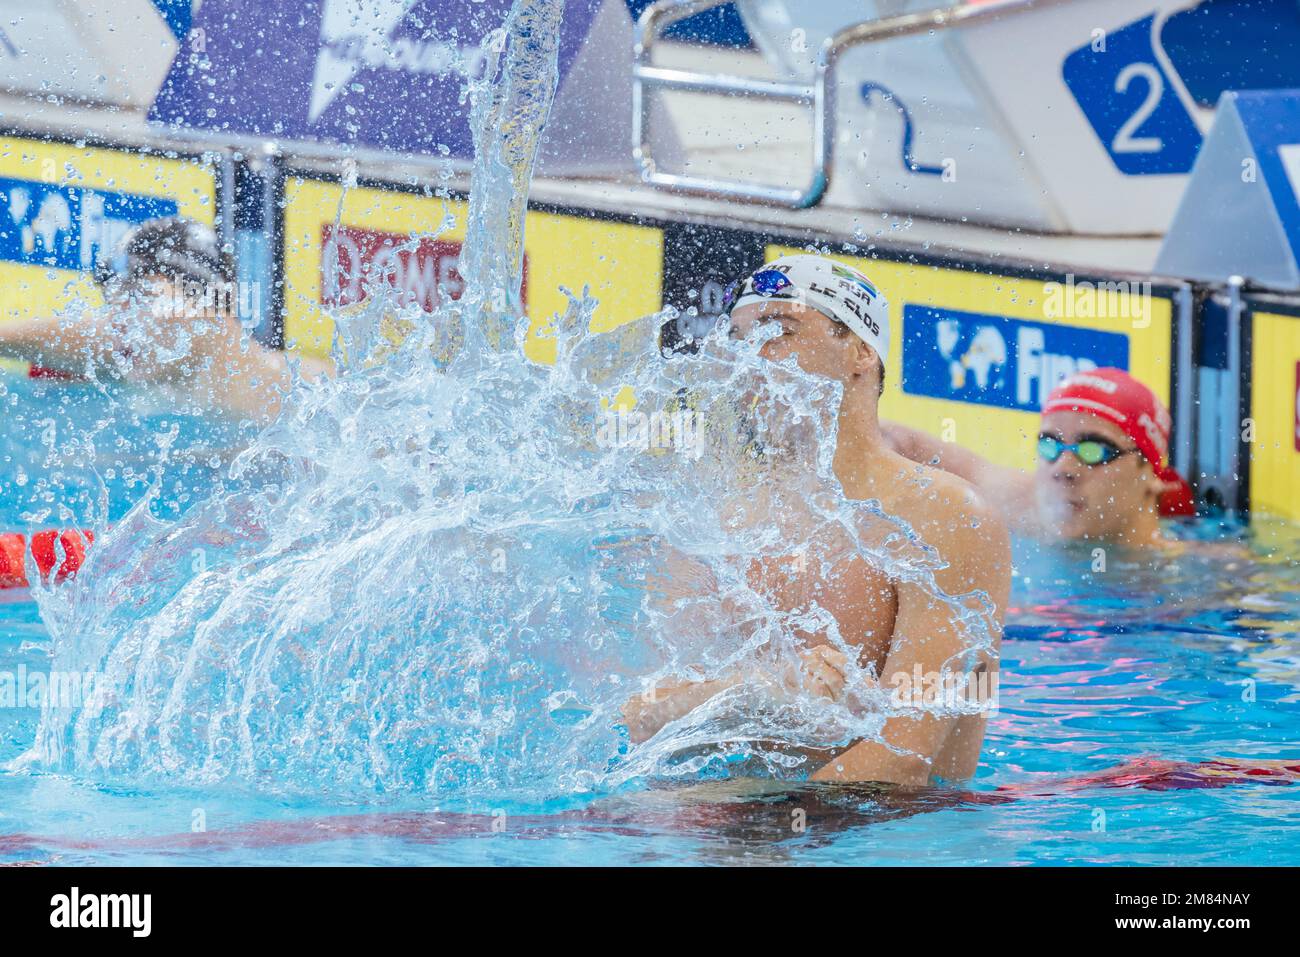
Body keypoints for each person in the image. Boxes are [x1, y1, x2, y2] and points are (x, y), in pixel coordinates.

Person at [622, 254, 1011, 787]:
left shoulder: (944, 515)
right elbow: (644, 718)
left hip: (885, 837)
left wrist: (744, 818)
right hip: (730, 823)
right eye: (738, 339)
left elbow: (902, 761)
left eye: (777, 330)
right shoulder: (713, 520)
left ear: (859, 350)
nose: (751, 356)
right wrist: (755, 693)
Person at [0, 217, 332, 423]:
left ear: (206, 306)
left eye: (141, 297)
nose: (121, 322)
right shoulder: (149, 355)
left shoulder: (307, 396)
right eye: (116, 304)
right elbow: (86, 337)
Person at [884, 368, 1196, 548]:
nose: (1064, 469)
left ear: (1151, 473)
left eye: (1094, 451)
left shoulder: (1186, 578)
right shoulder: (1024, 505)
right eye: (1050, 445)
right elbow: (902, 442)